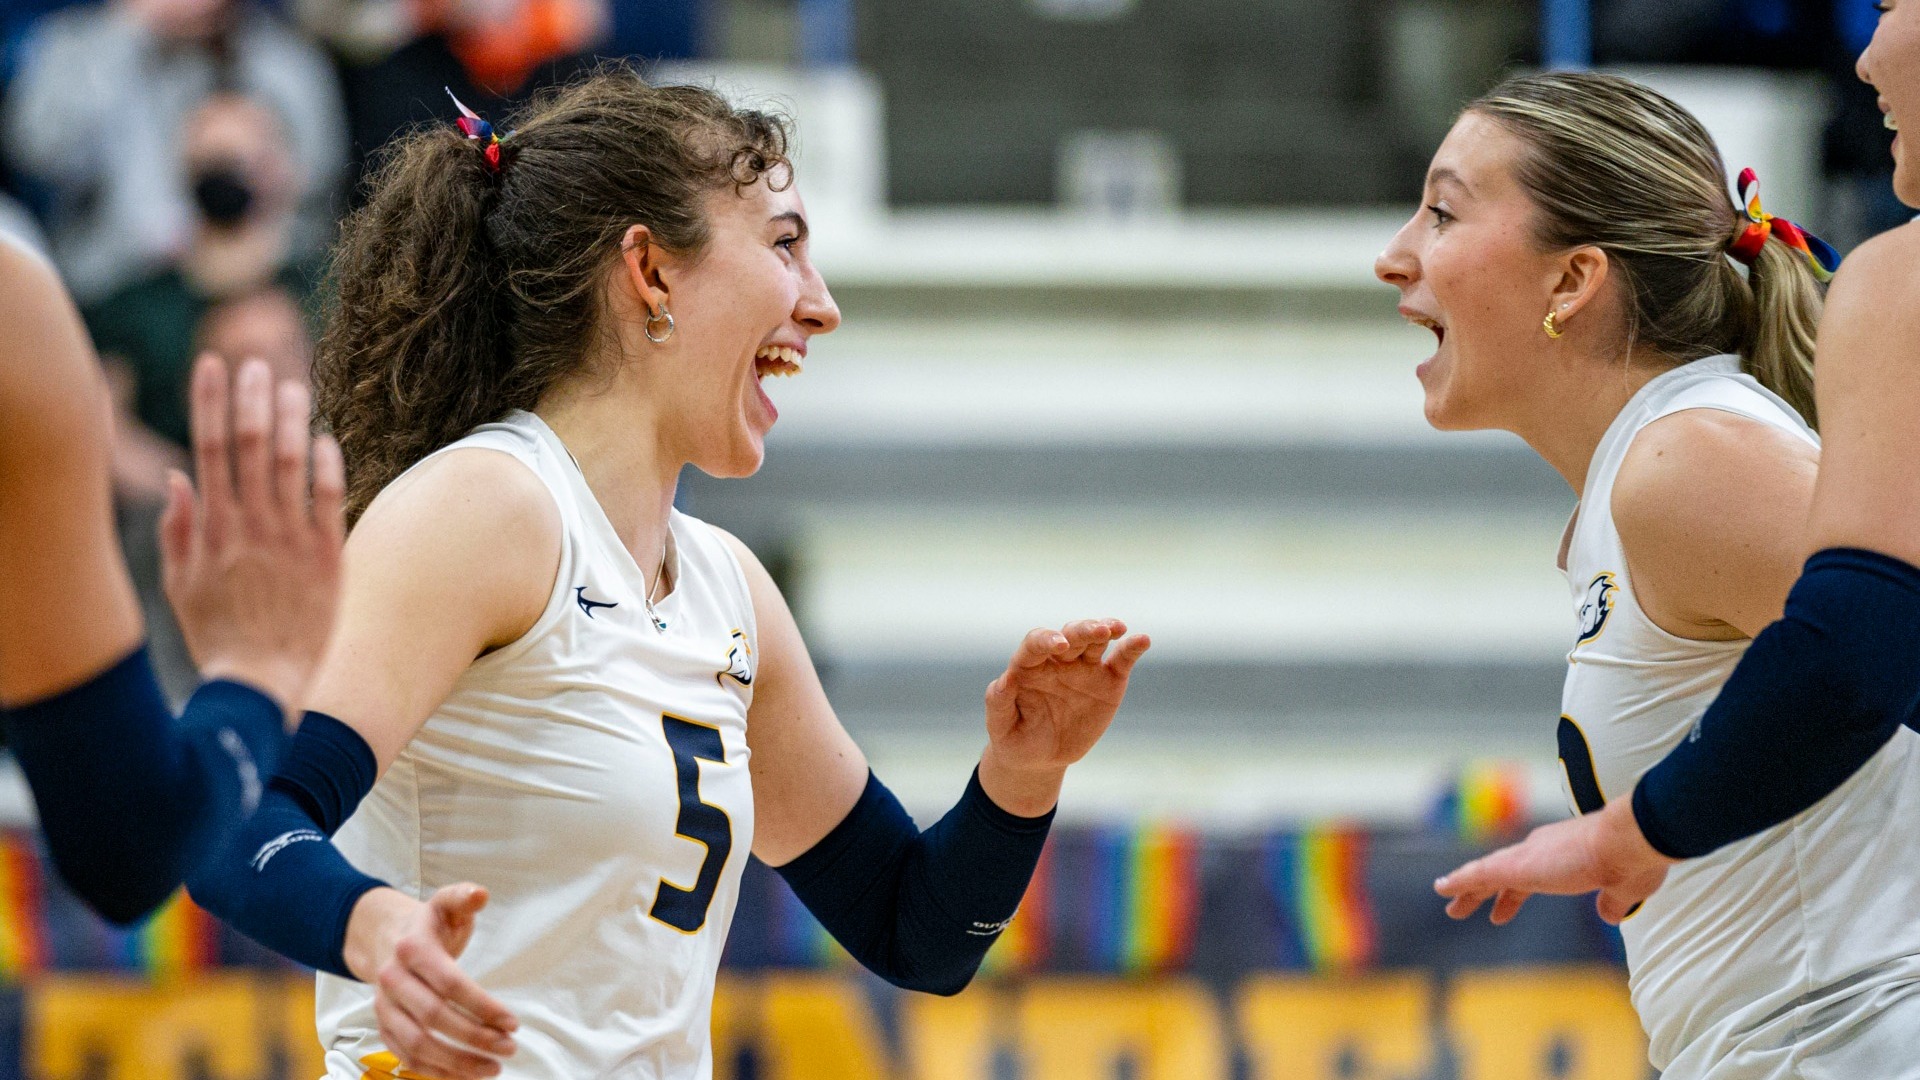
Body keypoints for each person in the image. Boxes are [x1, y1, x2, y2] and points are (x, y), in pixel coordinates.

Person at [185, 67, 1151, 1080]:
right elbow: (234, 817)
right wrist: (374, 925)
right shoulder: (490, 506)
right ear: (649, 273)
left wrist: (1024, 773)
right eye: (785, 245)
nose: (820, 307)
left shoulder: (726, 588)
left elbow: (918, 933)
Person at [1377, 71, 1920, 1075]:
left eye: (1444, 212)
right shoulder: (1655, 469)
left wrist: (1643, 828)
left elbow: (1885, 643)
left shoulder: (1688, 461)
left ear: (1573, 279)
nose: (1394, 256)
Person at [0, 236, 344, 924]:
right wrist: (257, 668)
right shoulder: (18, 313)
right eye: (238, 369)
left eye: (278, 363)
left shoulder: (380, 511)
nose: (264, 394)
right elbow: (124, 832)